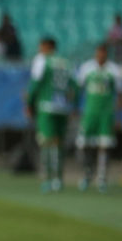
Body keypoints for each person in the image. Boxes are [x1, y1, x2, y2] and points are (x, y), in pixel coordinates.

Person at [27, 37, 78, 193]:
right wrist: (73, 103)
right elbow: (75, 86)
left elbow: (35, 83)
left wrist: (29, 103)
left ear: (47, 46)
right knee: (59, 143)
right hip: (62, 107)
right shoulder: (66, 63)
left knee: (46, 142)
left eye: (41, 46)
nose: (39, 49)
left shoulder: (42, 60)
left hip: (46, 105)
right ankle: (58, 179)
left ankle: (48, 178)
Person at [76, 43, 122, 192]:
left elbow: (120, 95)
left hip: (106, 114)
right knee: (85, 144)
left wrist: (118, 115)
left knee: (104, 146)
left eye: (103, 53)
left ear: (107, 54)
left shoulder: (114, 70)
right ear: (96, 53)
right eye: (99, 53)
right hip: (90, 113)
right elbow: (78, 90)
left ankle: (102, 178)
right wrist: (76, 109)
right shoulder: (86, 68)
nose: (101, 55)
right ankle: (88, 174)